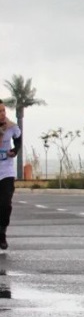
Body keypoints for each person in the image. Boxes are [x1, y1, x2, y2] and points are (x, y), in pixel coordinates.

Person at [0, 102, 23, 251]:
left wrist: (14, 151)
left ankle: (2, 233)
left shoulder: (11, 127)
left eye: (3, 110)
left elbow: (18, 141)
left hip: (6, 172)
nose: (2, 113)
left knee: (5, 204)